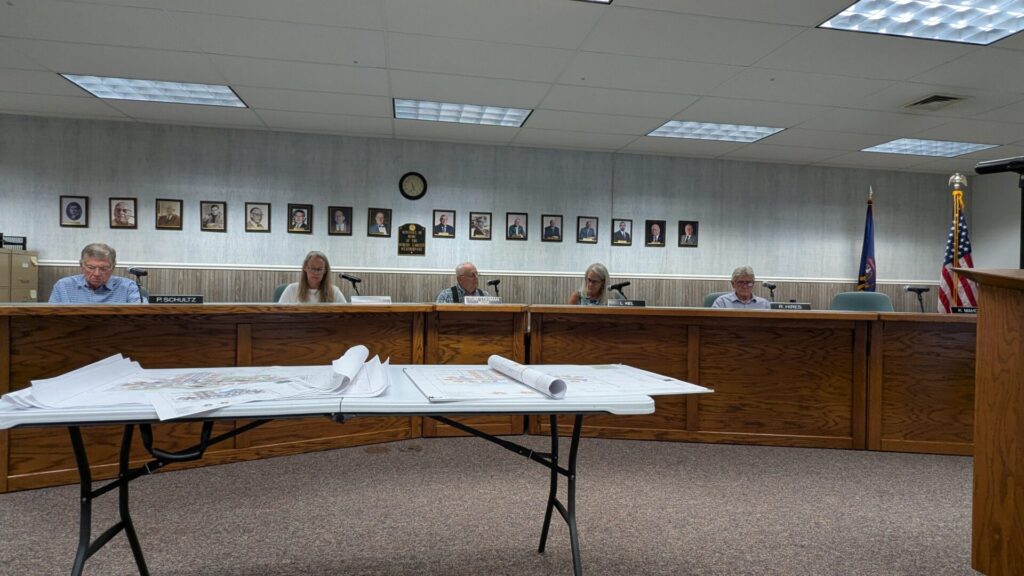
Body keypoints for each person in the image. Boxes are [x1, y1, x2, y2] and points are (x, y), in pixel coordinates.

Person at [48, 243, 143, 304]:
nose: (97, 274)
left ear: (112, 268)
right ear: (81, 266)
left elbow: (143, 317)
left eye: (103, 268)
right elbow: (50, 318)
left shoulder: (128, 287)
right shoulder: (63, 286)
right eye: (91, 268)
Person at [278, 251, 347, 303]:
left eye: (319, 269)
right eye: (313, 269)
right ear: (305, 268)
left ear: (325, 271)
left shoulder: (334, 292)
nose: (316, 273)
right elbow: (279, 314)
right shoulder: (291, 290)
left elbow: (346, 313)